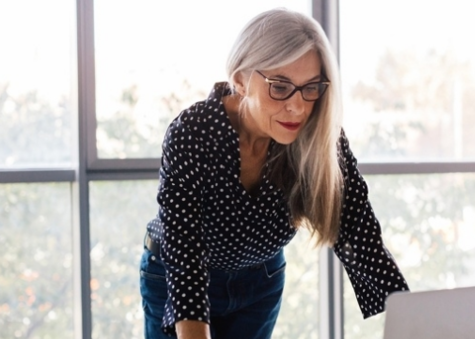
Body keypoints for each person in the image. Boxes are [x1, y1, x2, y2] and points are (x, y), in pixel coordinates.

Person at [139, 8, 409, 339]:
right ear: (240, 79)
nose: (298, 107)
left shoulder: (318, 137)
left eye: (311, 88)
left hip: (260, 282)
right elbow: (186, 254)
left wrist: (413, 321)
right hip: (175, 277)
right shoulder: (193, 132)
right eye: (280, 87)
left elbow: (358, 233)